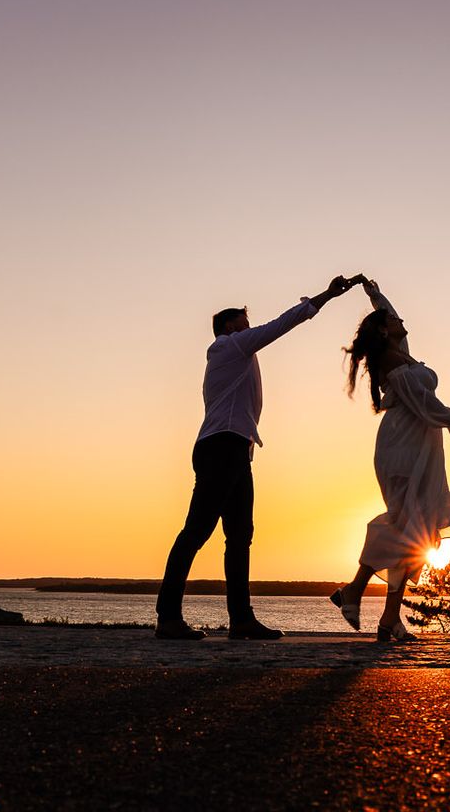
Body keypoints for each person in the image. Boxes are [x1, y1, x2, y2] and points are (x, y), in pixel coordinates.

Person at [156, 274, 356, 640]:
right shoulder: (230, 346)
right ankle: (168, 617)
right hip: (222, 447)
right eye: (245, 322)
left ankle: (241, 620)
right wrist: (327, 295)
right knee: (197, 531)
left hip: (235, 447)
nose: (251, 328)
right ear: (232, 326)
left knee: (239, 535)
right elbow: (282, 324)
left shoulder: (232, 354)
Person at [331, 276, 450, 641]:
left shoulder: (399, 345)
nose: (400, 320)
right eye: (391, 320)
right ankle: (369, 601)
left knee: (415, 530)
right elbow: (424, 404)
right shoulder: (391, 361)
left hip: (421, 447)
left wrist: (371, 292)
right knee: (409, 527)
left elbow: (389, 313)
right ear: (385, 333)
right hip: (403, 447)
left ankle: (378, 608)